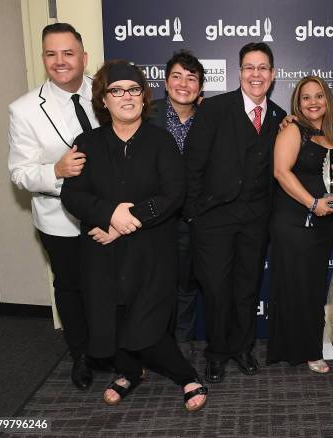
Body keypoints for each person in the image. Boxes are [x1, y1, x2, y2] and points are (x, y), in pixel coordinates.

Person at [60, 60, 207, 411]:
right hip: (101, 254)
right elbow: (72, 195)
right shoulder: (87, 143)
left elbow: (173, 194)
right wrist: (109, 214)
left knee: (146, 327)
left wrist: (127, 220)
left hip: (151, 250)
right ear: (104, 100)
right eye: (116, 90)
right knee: (111, 322)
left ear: (144, 98)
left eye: (133, 89)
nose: (126, 96)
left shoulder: (162, 141)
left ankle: (187, 376)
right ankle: (129, 372)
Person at [184, 43, 287, 383]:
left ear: (272, 75)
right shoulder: (214, 109)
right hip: (213, 219)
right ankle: (216, 352)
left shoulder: (278, 116)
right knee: (215, 289)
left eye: (262, 68)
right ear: (239, 72)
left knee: (247, 286)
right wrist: (196, 215)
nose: (255, 74)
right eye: (248, 67)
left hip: (256, 219)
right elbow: (193, 166)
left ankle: (242, 348)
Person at [8, 23, 101, 389]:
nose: (60, 61)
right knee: (71, 287)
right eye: (51, 54)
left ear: (83, 57)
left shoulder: (109, 91)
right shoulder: (24, 109)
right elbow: (19, 173)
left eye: (68, 53)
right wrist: (55, 171)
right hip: (59, 218)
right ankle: (81, 354)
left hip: (109, 214)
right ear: (44, 58)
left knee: (111, 285)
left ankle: (112, 348)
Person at [267, 76, 333, 373]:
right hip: (294, 221)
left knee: (311, 288)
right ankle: (303, 350)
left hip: (322, 222)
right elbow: (281, 173)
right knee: (295, 287)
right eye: (306, 97)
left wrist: (330, 206)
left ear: (327, 100)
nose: (313, 102)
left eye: (319, 96)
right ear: (298, 101)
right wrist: (312, 203)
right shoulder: (293, 130)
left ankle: (309, 345)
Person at [149, 50, 204, 346]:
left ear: (201, 87)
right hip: (150, 220)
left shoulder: (211, 119)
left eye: (191, 78)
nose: (184, 84)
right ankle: (149, 348)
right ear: (166, 82)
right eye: (177, 76)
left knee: (186, 287)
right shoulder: (145, 115)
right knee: (150, 288)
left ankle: (181, 351)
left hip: (191, 221)